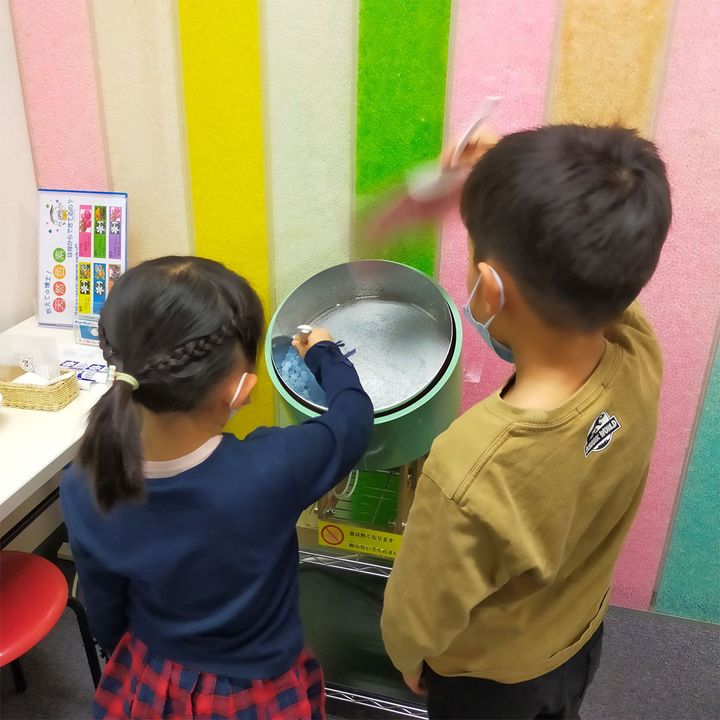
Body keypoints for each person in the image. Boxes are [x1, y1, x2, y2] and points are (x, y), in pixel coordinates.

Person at [381, 124, 671, 719]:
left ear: (489, 288)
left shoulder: (472, 466)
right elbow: (593, 256)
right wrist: (501, 182)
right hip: (577, 635)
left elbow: (420, 609)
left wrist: (408, 657)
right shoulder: (638, 351)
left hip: (490, 681)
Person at [60, 256, 373, 720]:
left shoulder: (82, 483)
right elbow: (353, 420)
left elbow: (104, 604)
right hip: (258, 686)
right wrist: (324, 353)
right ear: (241, 390)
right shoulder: (273, 468)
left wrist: (128, 658)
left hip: (155, 676)